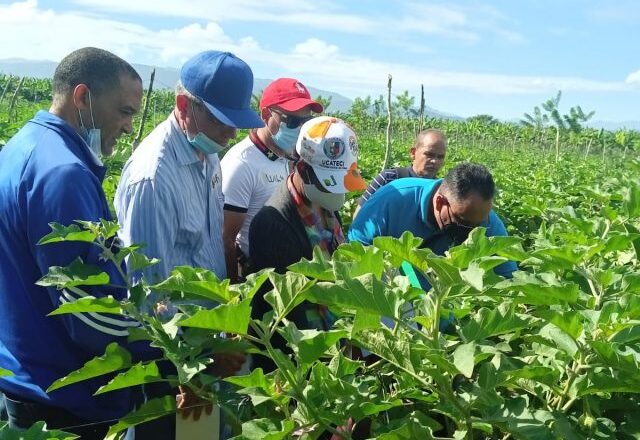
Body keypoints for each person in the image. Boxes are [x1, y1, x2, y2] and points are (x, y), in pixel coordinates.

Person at [0, 47, 152, 439]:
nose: (128, 127)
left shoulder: (22, 146)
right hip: (65, 399)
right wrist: (165, 345)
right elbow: (87, 313)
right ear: (82, 97)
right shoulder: (64, 173)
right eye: (125, 112)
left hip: (24, 372)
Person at [114, 50, 259, 439]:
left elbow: (208, 248)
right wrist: (191, 367)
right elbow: (150, 296)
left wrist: (223, 330)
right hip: (174, 364)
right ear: (184, 106)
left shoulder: (206, 153)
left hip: (206, 351)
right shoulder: (153, 179)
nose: (230, 134)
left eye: (236, 123)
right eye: (221, 120)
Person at [249, 116, 367, 369]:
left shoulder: (323, 206)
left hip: (330, 340)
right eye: (328, 185)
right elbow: (288, 311)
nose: (335, 194)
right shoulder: (274, 222)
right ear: (302, 170)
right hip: (294, 357)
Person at [221, 78, 323, 283]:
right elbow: (226, 238)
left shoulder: (290, 155)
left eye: (305, 122)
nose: (299, 129)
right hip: (257, 274)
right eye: (293, 122)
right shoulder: (242, 164)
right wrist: (234, 292)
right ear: (266, 115)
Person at [348, 162, 517, 281]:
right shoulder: (392, 200)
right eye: (463, 223)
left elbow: (508, 277)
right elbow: (354, 251)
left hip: (442, 314)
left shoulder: (484, 218)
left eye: (478, 225)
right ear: (440, 203)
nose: (472, 233)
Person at [353, 129, 446, 218]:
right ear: (413, 153)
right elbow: (359, 216)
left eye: (440, 157)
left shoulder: (441, 189)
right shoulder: (388, 178)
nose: (435, 161)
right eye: (429, 154)